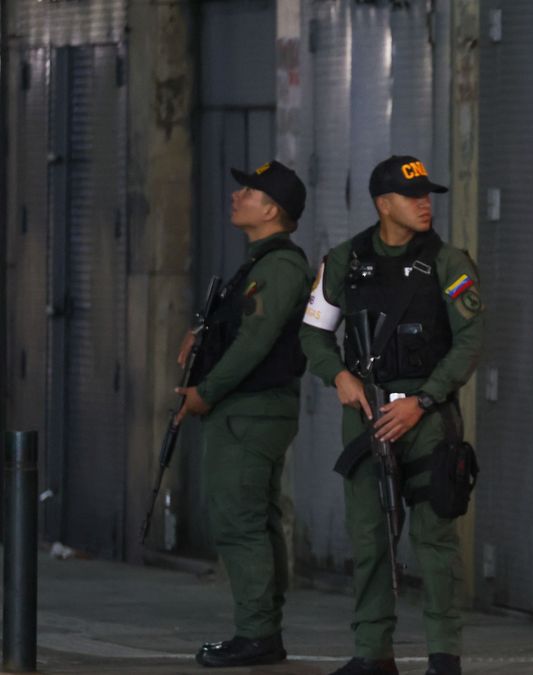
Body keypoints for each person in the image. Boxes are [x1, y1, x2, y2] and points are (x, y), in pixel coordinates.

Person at [300, 155, 483, 675]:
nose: (425, 203)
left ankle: (444, 655)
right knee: (370, 537)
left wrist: (423, 401)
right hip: (366, 412)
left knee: (435, 540)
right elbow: (313, 332)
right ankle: (373, 654)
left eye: (428, 195)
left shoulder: (449, 264)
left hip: (427, 419)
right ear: (384, 204)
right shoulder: (344, 260)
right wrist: (339, 375)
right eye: (413, 196)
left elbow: (470, 341)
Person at [175, 160, 312, 668]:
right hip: (249, 410)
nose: (238, 196)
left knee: (240, 521)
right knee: (255, 518)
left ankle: (256, 633)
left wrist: (204, 393)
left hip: (250, 411)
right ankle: (262, 629)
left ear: (271, 208)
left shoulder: (278, 267)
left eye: (248, 191)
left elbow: (253, 344)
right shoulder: (260, 263)